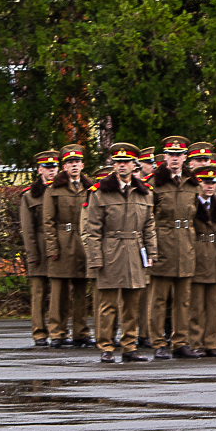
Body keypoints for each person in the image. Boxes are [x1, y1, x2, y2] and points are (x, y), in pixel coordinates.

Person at [81, 147, 157, 364]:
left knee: (132, 305)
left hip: (135, 252)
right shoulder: (100, 193)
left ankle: (129, 347)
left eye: (126, 162)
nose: (122, 165)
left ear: (135, 165)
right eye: (118, 162)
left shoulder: (145, 192)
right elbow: (92, 229)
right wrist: (95, 258)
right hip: (110, 251)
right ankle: (105, 346)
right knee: (107, 306)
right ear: (113, 165)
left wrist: (152, 252)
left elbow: (149, 226)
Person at [145, 137, 197, 358]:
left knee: (183, 299)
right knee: (158, 299)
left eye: (179, 155)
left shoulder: (192, 182)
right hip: (163, 243)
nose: (175, 159)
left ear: (185, 157)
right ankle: (157, 342)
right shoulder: (154, 182)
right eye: (171, 155)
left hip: (186, 244)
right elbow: (147, 218)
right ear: (165, 157)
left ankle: (180, 341)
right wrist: (151, 249)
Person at [41, 147, 94, 347]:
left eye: (77, 162)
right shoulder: (53, 189)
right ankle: (58, 332)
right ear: (64, 167)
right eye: (70, 163)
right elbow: (48, 221)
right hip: (62, 243)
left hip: (82, 243)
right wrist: (52, 248)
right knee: (59, 292)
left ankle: (81, 332)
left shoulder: (90, 188)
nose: (74, 166)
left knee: (81, 291)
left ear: (82, 165)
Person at [183, 162, 216, 356]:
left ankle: (212, 342)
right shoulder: (191, 204)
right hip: (197, 251)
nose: (210, 186)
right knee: (196, 304)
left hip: (215, 253)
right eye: (205, 183)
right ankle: (195, 342)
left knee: (213, 304)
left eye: (213, 182)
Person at [17, 151, 58, 348]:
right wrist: (32, 253)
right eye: (48, 168)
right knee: (40, 292)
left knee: (60, 292)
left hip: (60, 246)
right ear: (40, 170)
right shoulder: (30, 195)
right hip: (40, 248)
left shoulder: (62, 190)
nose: (52, 172)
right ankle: (39, 332)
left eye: (54, 168)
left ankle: (58, 331)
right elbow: (28, 228)